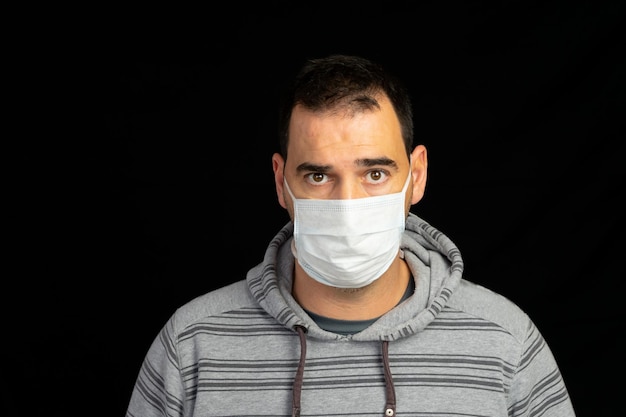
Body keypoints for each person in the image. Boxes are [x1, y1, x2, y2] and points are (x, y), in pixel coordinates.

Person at [125, 54, 576, 416]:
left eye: (375, 173)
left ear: (416, 176)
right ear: (282, 182)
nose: (348, 205)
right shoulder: (191, 344)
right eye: (318, 177)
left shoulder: (504, 340)